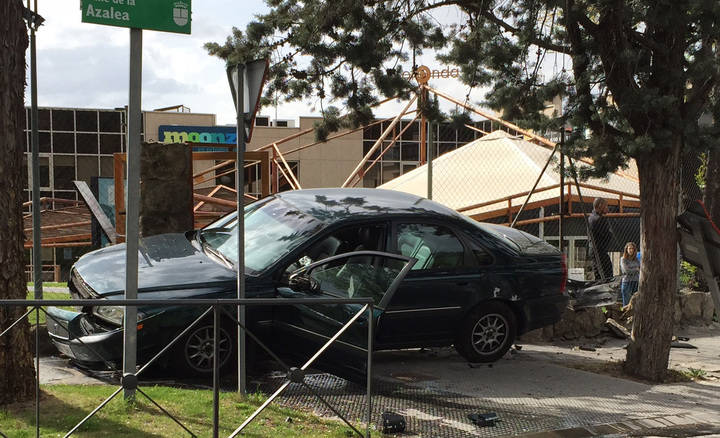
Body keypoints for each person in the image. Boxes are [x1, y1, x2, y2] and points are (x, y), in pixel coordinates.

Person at [588, 198, 614, 280]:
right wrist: (610, 232)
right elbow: (608, 235)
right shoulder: (599, 219)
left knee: (598, 274)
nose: (607, 208)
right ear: (600, 206)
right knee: (607, 273)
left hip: (594, 249)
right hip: (599, 250)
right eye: (606, 206)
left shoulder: (591, 217)